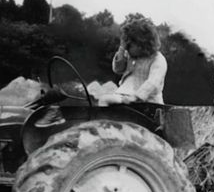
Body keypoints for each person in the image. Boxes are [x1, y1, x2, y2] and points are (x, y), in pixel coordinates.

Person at [35, 16, 167, 127]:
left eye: (130, 45)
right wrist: (121, 50)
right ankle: (56, 112)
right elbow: (118, 69)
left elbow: (153, 83)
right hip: (124, 95)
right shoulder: (131, 55)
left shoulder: (158, 60)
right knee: (86, 94)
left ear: (143, 44)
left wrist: (136, 97)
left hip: (146, 103)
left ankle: (103, 128)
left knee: (105, 100)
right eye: (126, 44)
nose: (128, 48)